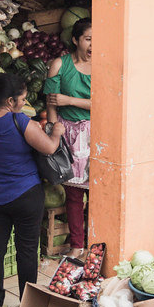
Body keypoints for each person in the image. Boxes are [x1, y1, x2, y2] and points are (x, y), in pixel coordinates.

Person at [0, 74, 65, 307]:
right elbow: (49, 147)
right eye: (22, 100)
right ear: (10, 101)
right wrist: (56, 131)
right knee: (27, 250)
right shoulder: (19, 121)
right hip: (25, 194)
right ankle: (27, 305)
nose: (25, 103)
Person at [44, 17, 92, 257]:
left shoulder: (103, 65)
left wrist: (70, 100)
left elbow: (107, 104)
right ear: (75, 40)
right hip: (68, 133)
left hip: (96, 133)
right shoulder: (60, 65)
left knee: (98, 190)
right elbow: (51, 101)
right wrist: (54, 128)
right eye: (88, 39)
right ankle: (77, 245)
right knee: (74, 193)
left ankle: (97, 241)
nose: (93, 45)